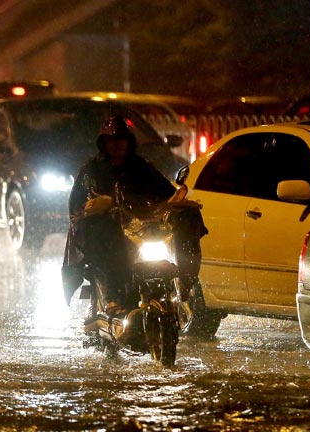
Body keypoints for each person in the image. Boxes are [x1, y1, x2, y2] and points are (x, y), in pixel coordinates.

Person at [61, 115, 207, 316]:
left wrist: (178, 201)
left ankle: (184, 284)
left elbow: (165, 193)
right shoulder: (92, 171)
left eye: (122, 140)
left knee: (186, 216)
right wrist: (96, 207)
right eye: (113, 141)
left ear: (129, 142)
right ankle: (112, 297)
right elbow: (78, 208)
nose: (118, 145)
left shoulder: (141, 167)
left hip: (141, 229)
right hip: (109, 233)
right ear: (104, 144)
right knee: (108, 235)